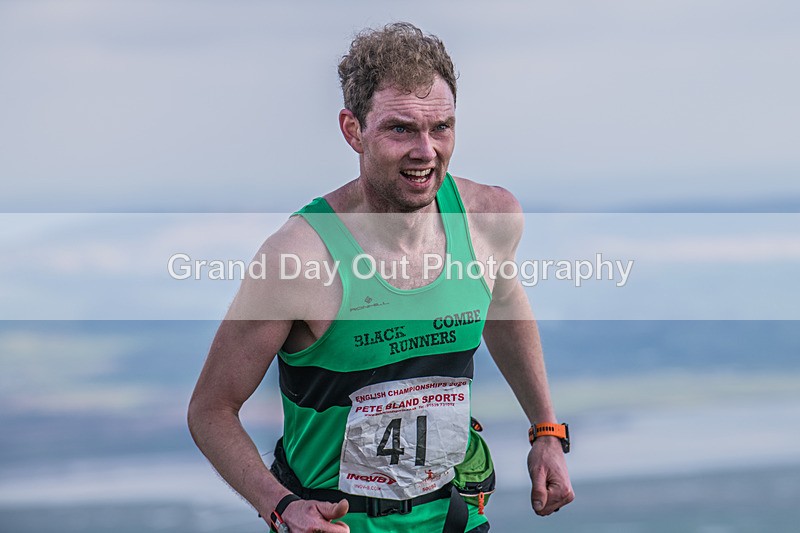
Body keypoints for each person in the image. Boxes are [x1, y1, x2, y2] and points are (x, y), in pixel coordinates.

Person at [188, 22, 573, 533]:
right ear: (353, 130)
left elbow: (502, 307)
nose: (426, 151)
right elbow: (211, 410)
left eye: (441, 128)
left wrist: (545, 429)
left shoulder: (489, 219)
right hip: (337, 525)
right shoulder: (296, 257)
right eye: (401, 129)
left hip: (453, 518)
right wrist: (281, 507)